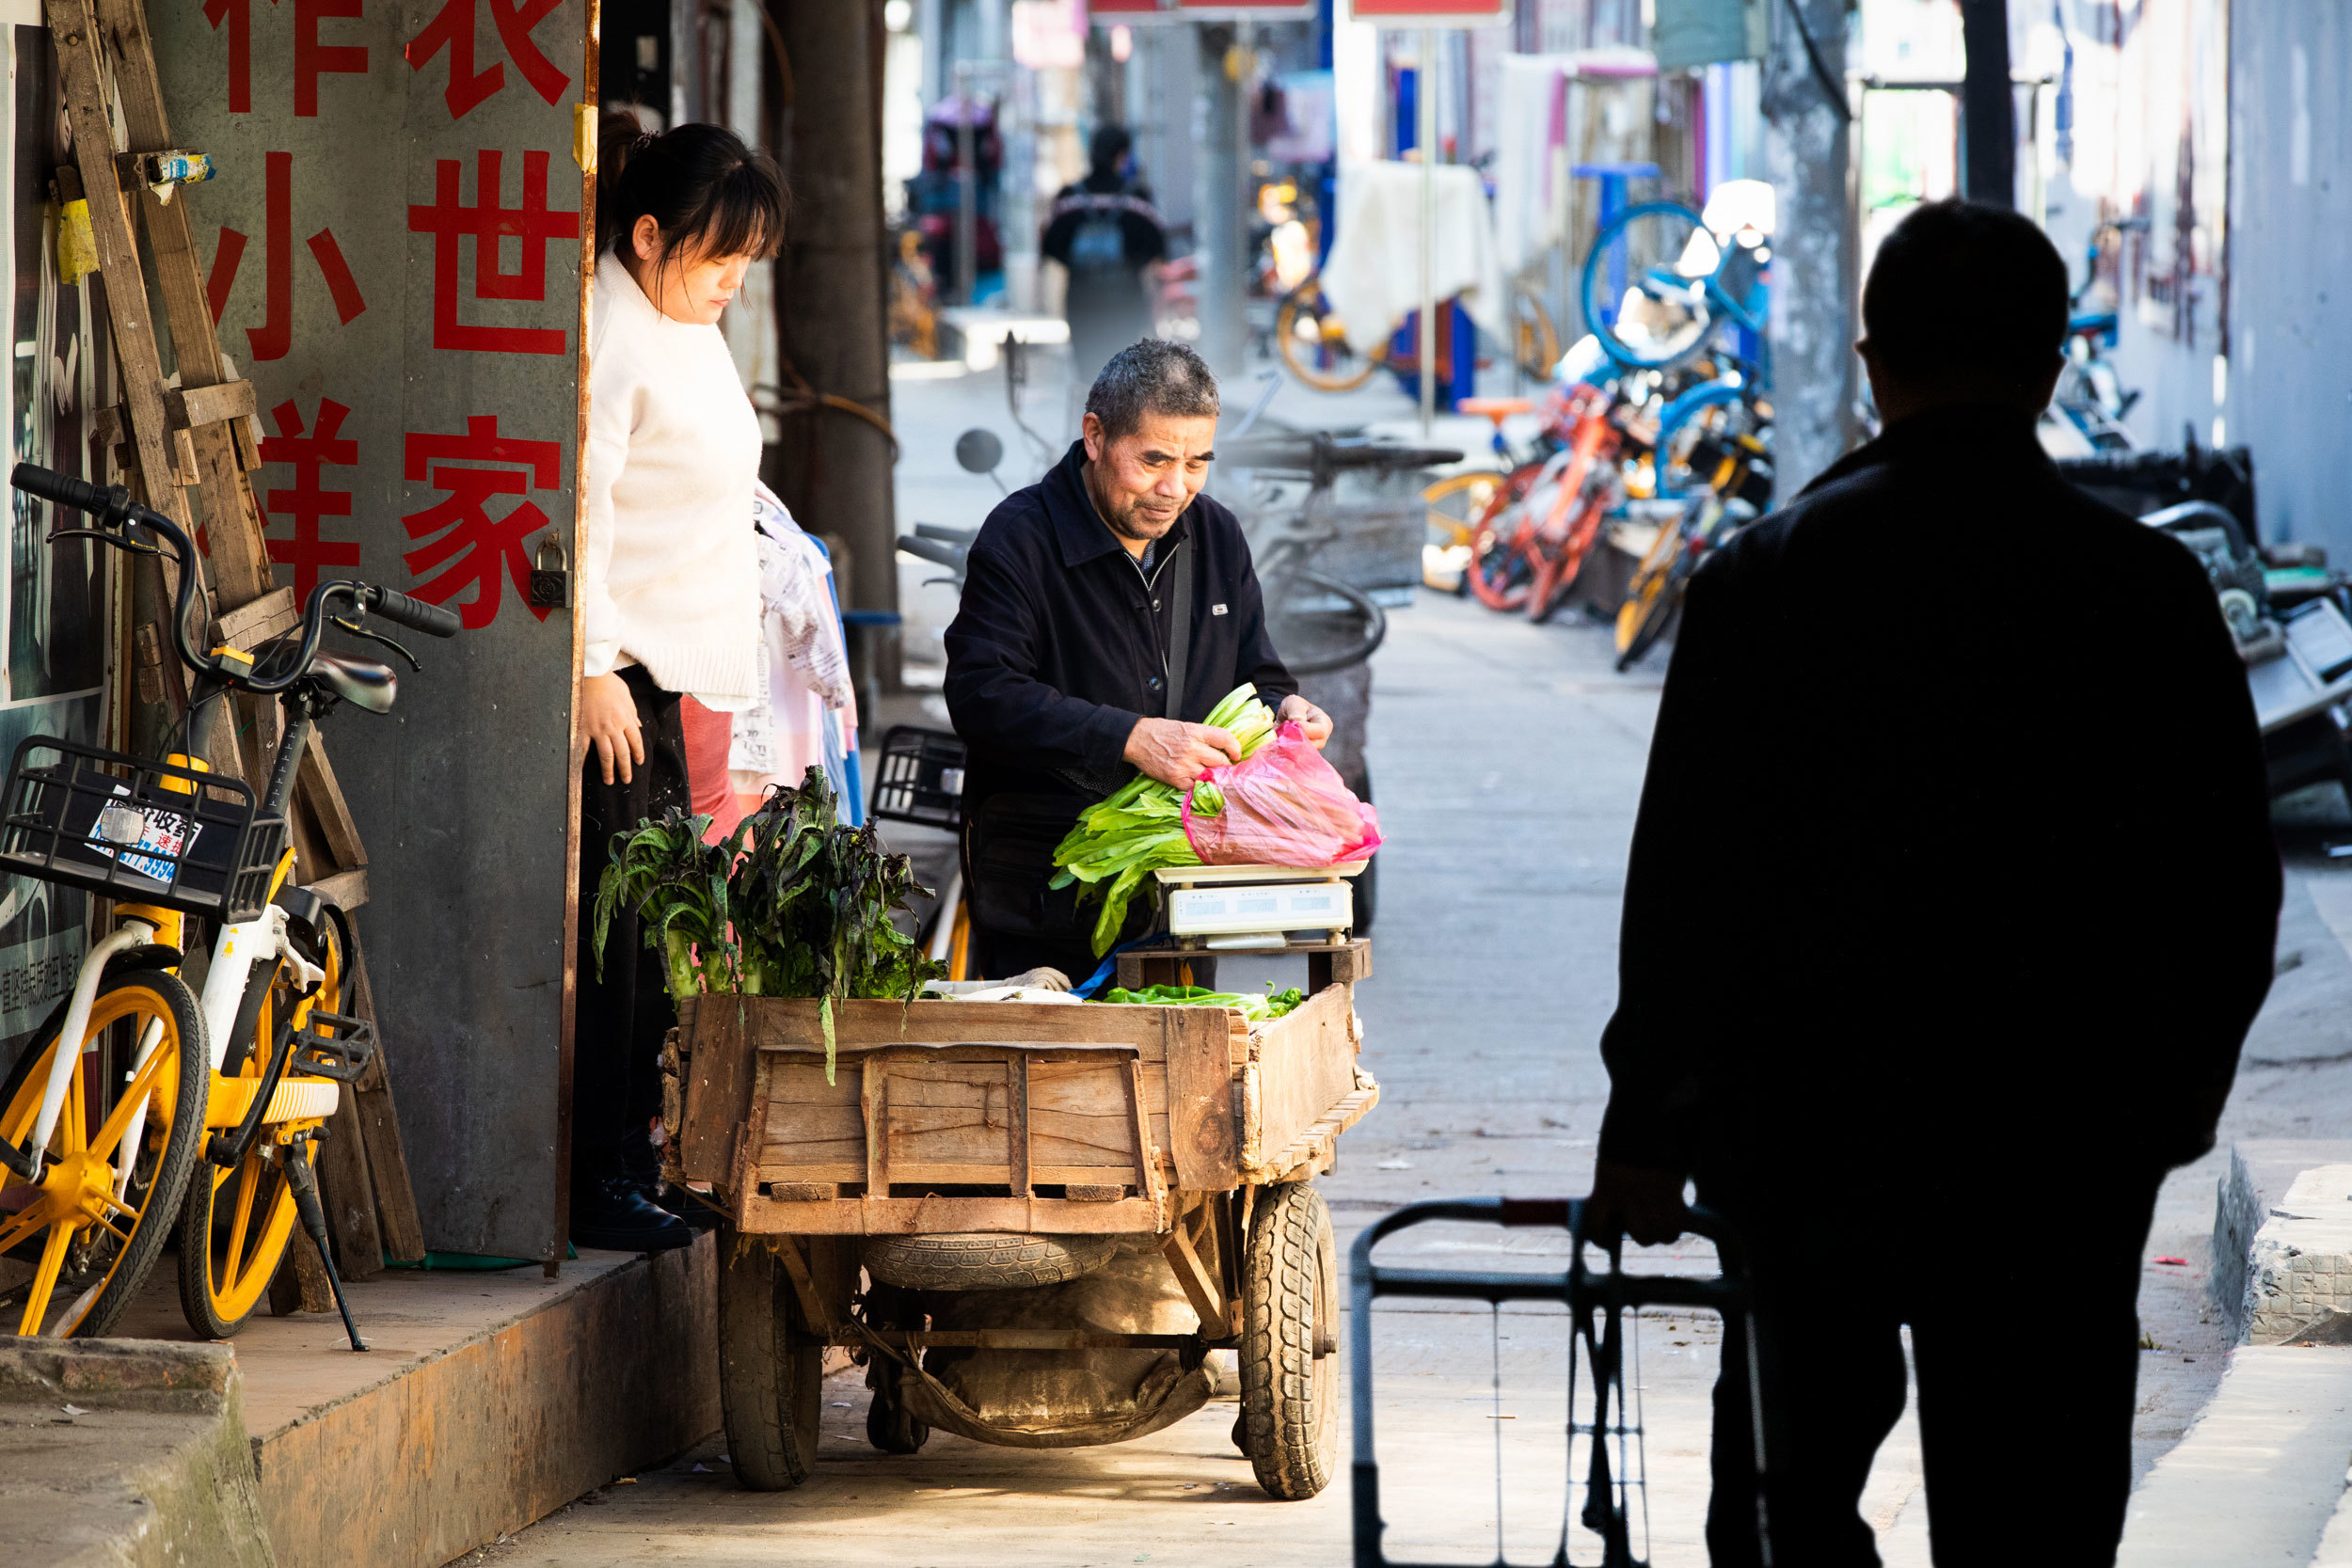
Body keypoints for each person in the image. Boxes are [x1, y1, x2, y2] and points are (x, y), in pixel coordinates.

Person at [1586, 200, 2280, 1566]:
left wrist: (1648, 1126)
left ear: (1870, 364)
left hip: (1804, 1151)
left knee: (1789, 1511)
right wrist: (2162, 1109)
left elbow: (1687, 890)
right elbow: (2229, 887)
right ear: (2048, 369)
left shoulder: (1764, 580)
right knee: (2033, 1513)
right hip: (2058, 1154)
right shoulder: (2143, 590)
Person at [944, 339, 1332, 984]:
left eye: (1196, 462)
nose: (1174, 488)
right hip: (1046, 892)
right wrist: (1130, 738)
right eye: (1153, 459)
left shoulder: (1217, 536)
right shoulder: (1019, 539)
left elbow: (1258, 674)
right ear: (1095, 436)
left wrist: (1287, 709)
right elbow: (982, 695)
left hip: (1181, 892)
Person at [572, 113, 785, 1253]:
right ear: (648, 236)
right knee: (616, 938)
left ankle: (631, 1155)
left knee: (655, 930)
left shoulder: (675, 317)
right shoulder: (610, 329)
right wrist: (590, 664)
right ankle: (592, 1174)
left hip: (665, 682)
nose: (729, 287)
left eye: (744, 266)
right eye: (717, 261)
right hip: (617, 682)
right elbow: (579, 505)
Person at [1041, 125, 1168, 391]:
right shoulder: (1138, 197)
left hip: (1081, 300)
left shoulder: (1069, 198)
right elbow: (1157, 247)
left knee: (1089, 378)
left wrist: (1081, 265)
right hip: (1125, 301)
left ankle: (1090, 429)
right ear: (1122, 155)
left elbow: (1050, 246)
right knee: (1122, 377)